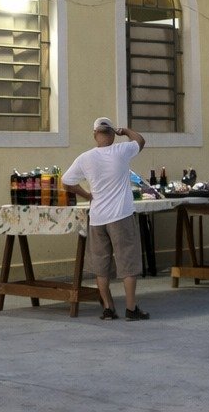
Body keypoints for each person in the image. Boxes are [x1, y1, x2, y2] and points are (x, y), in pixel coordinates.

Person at [62, 117, 149, 321]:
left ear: (94, 135)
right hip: (121, 216)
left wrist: (87, 195)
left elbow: (67, 182)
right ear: (111, 134)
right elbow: (140, 141)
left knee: (101, 265)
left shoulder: (85, 158)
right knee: (127, 262)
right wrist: (125, 131)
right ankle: (130, 308)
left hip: (98, 218)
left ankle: (108, 308)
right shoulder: (121, 151)